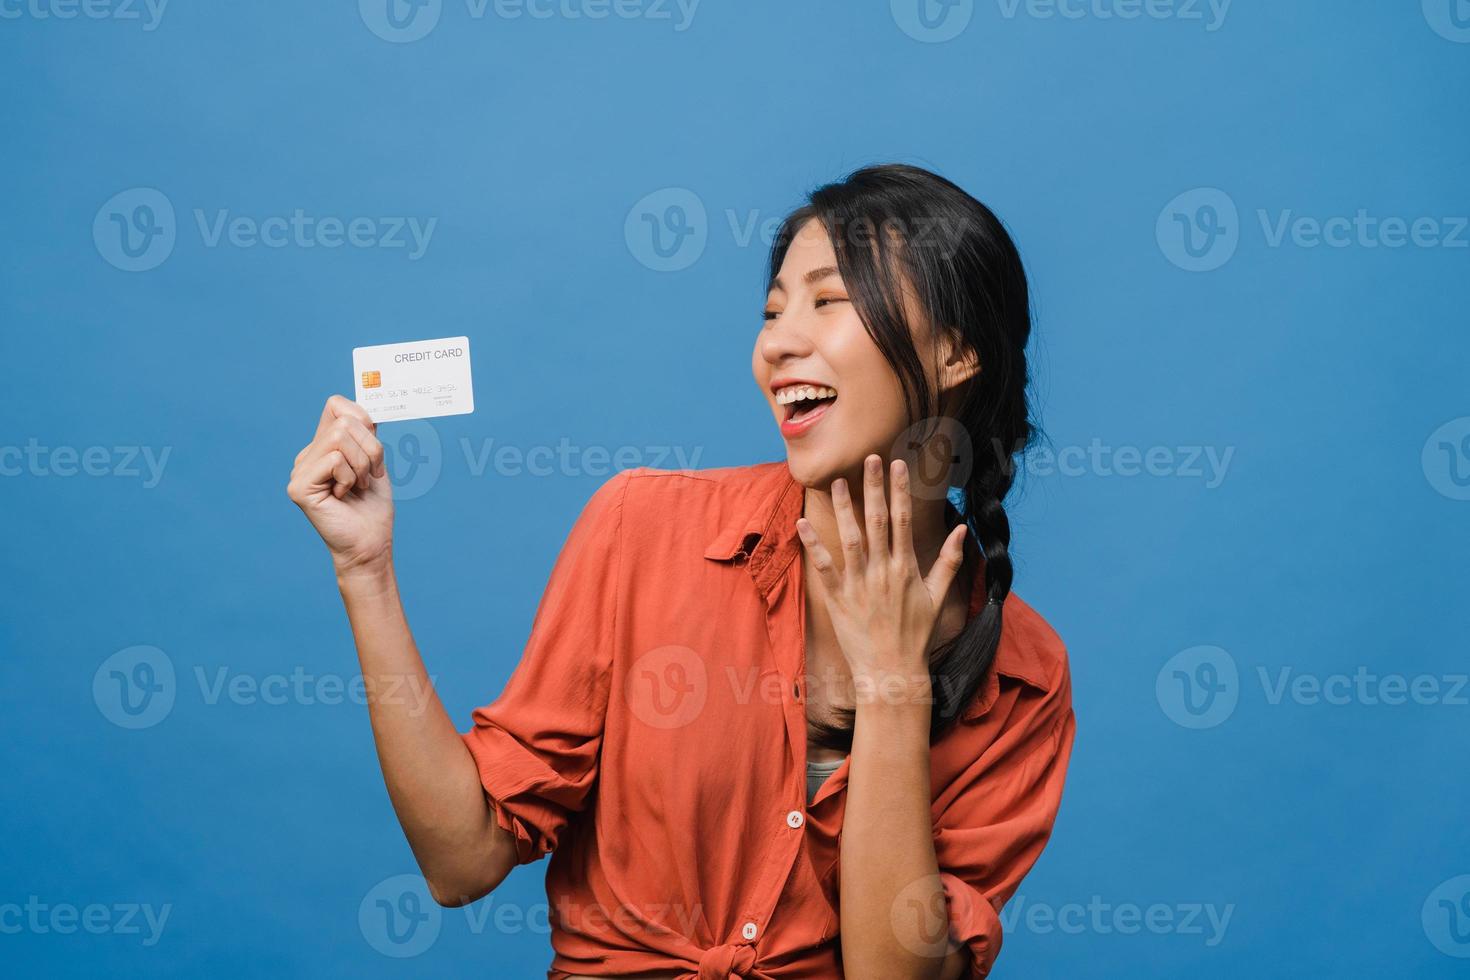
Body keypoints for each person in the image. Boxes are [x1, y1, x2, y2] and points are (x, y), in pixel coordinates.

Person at [287, 163, 1076, 979]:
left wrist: (891, 684)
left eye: (828, 301)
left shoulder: (1024, 677)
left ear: (955, 353)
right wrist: (365, 569)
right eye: (772, 310)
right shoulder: (643, 531)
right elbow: (463, 859)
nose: (777, 341)